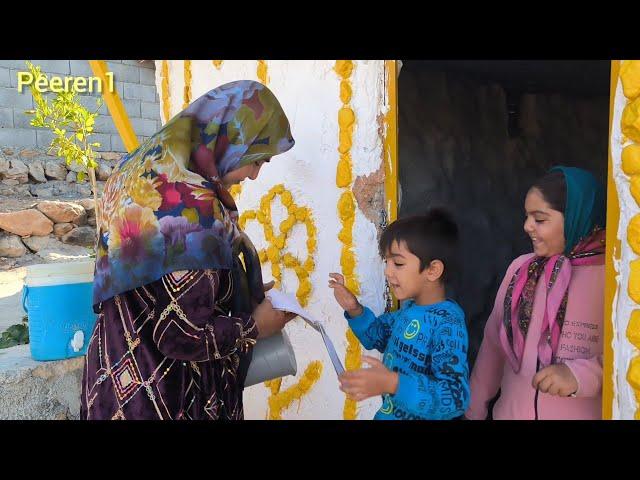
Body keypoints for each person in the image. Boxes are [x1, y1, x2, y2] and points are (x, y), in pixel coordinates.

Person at [81, 80, 297, 420]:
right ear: (230, 140)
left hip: (112, 378)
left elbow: (152, 289)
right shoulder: (192, 209)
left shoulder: (135, 174)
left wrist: (231, 291)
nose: (254, 175)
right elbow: (181, 335)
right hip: (167, 399)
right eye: (258, 160)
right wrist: (255, 326)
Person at [465, 166, 606, 420]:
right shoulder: (521, 270)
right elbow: (493, 346)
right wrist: (472, 410)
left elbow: (630, 360)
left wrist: (580, 376)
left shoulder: (611, 279)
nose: (527, 226)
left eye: (540, 219)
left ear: (576, 216)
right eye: (527, 217)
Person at [329, 209, 470, 420]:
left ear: (432, 270)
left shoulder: (448, 324)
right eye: (386, 262)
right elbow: (375, 336)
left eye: (398, 263)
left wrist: (393, 383)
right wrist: (354, 308)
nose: (387, 271)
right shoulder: (408, 311)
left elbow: (455, 398)